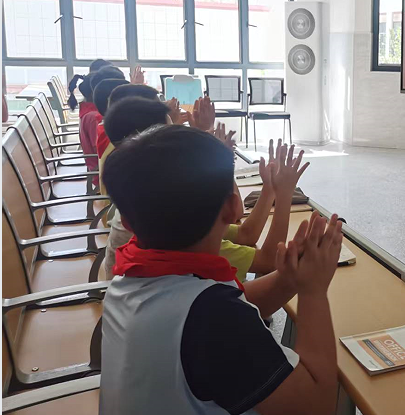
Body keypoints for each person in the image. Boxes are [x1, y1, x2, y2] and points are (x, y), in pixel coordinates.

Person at [99, 125, 341, 415]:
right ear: (233, 207)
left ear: (127, 222)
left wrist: (292, 277)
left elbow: (238, 302)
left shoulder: (128, 277)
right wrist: (313, 292)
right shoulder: (215, 319)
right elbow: (318, 406)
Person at [101, 97, 307, 280]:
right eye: (173, 129)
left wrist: (269, 189)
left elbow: (246, 235)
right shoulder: (192, 243)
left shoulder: (149, 204)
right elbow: (268, 260)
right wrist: (283, 194)